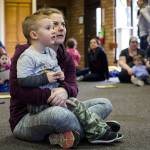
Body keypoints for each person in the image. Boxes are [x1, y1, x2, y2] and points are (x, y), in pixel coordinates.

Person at [9, 8, 121, 149]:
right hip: (26, 118)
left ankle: (87, 128)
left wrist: (65, 91)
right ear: (36, 32)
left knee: (105, 104)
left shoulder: (66, 57)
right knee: (60, 115)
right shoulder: (25, 54)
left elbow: (73, 87)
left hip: (61, 106)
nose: (60, 28)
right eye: (53, 25)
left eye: (63, 24)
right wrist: (51, 94)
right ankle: (95, 127)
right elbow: (17, 91)